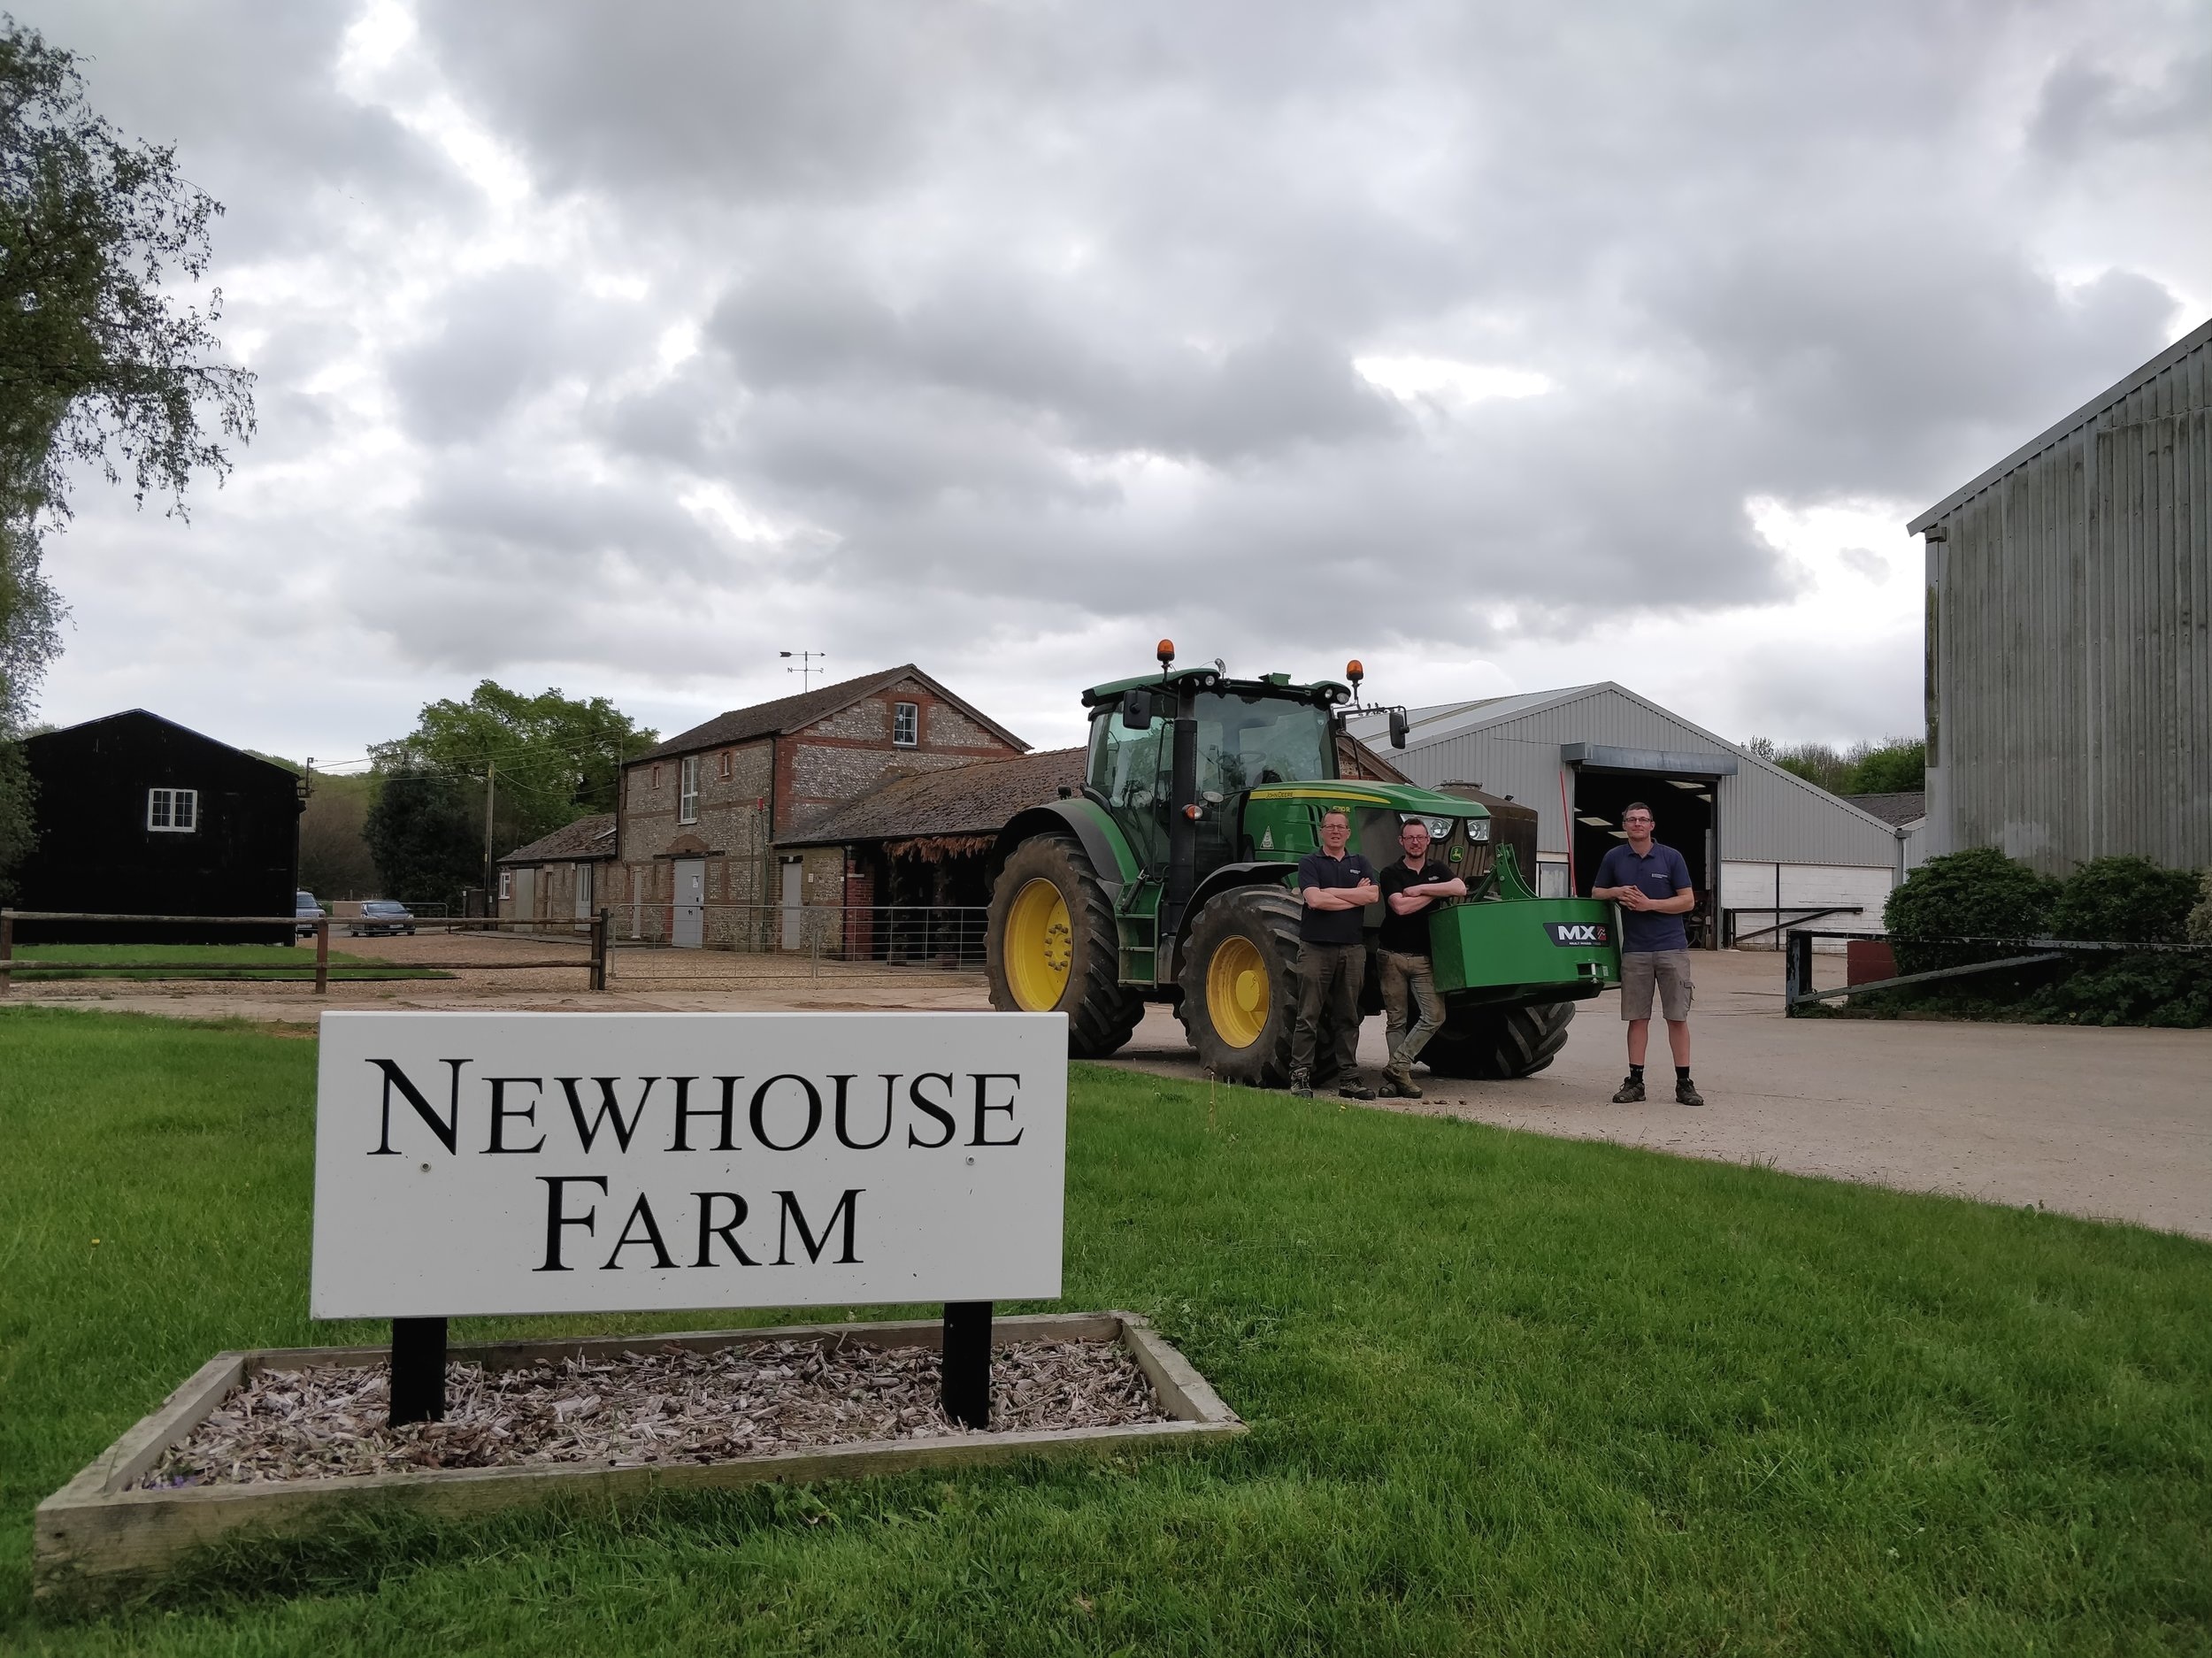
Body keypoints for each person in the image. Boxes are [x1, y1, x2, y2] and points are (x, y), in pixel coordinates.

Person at [1589, 802, 1703, 1107]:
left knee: (1676, 1017)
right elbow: (1596, 892)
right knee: (1637, 1018)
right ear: (1624, 825)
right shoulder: (1614, 857)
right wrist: (1617, 891)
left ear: (1652, 825)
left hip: (1671, 949)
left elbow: (1687, 901)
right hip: (1635, 951)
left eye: (1643, 819)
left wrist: (1649, 904)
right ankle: (1635, 1082)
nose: (1637, 823)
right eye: (1632, 819)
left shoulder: (1671, 858)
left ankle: (1684, 1084)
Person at [1290, 808, 1379, 1100]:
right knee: (1308, 1014)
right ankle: (1300, 1076)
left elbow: (1373, 895)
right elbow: (1314, 900)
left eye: (1341, 827)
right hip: (1316, 948)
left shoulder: (1360, 862)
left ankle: (1350, 1080)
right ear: (1322, 831)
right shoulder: (1309, 862)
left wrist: (1332, 894)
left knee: (1348, 1016)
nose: (1336, 831)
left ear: (1348, 832)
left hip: (1352, 950)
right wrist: (1352, 896)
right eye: (1330, 827)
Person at [1374, 817, 1466, 1099]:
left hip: (1425, 958)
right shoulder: (1391, 872)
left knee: (1435, 1015)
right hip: (1391, 956)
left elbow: (1460, 888)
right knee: (1396, 1019)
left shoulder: (1438, 868)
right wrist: (1434, 892)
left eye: (1420, 837)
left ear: (1428, 841)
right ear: (1402, 842)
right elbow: (1400, 908)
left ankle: (1397, 1066)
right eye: (1410, 837)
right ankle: (1398, 1080)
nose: (1416, 841)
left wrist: (1420, 889)